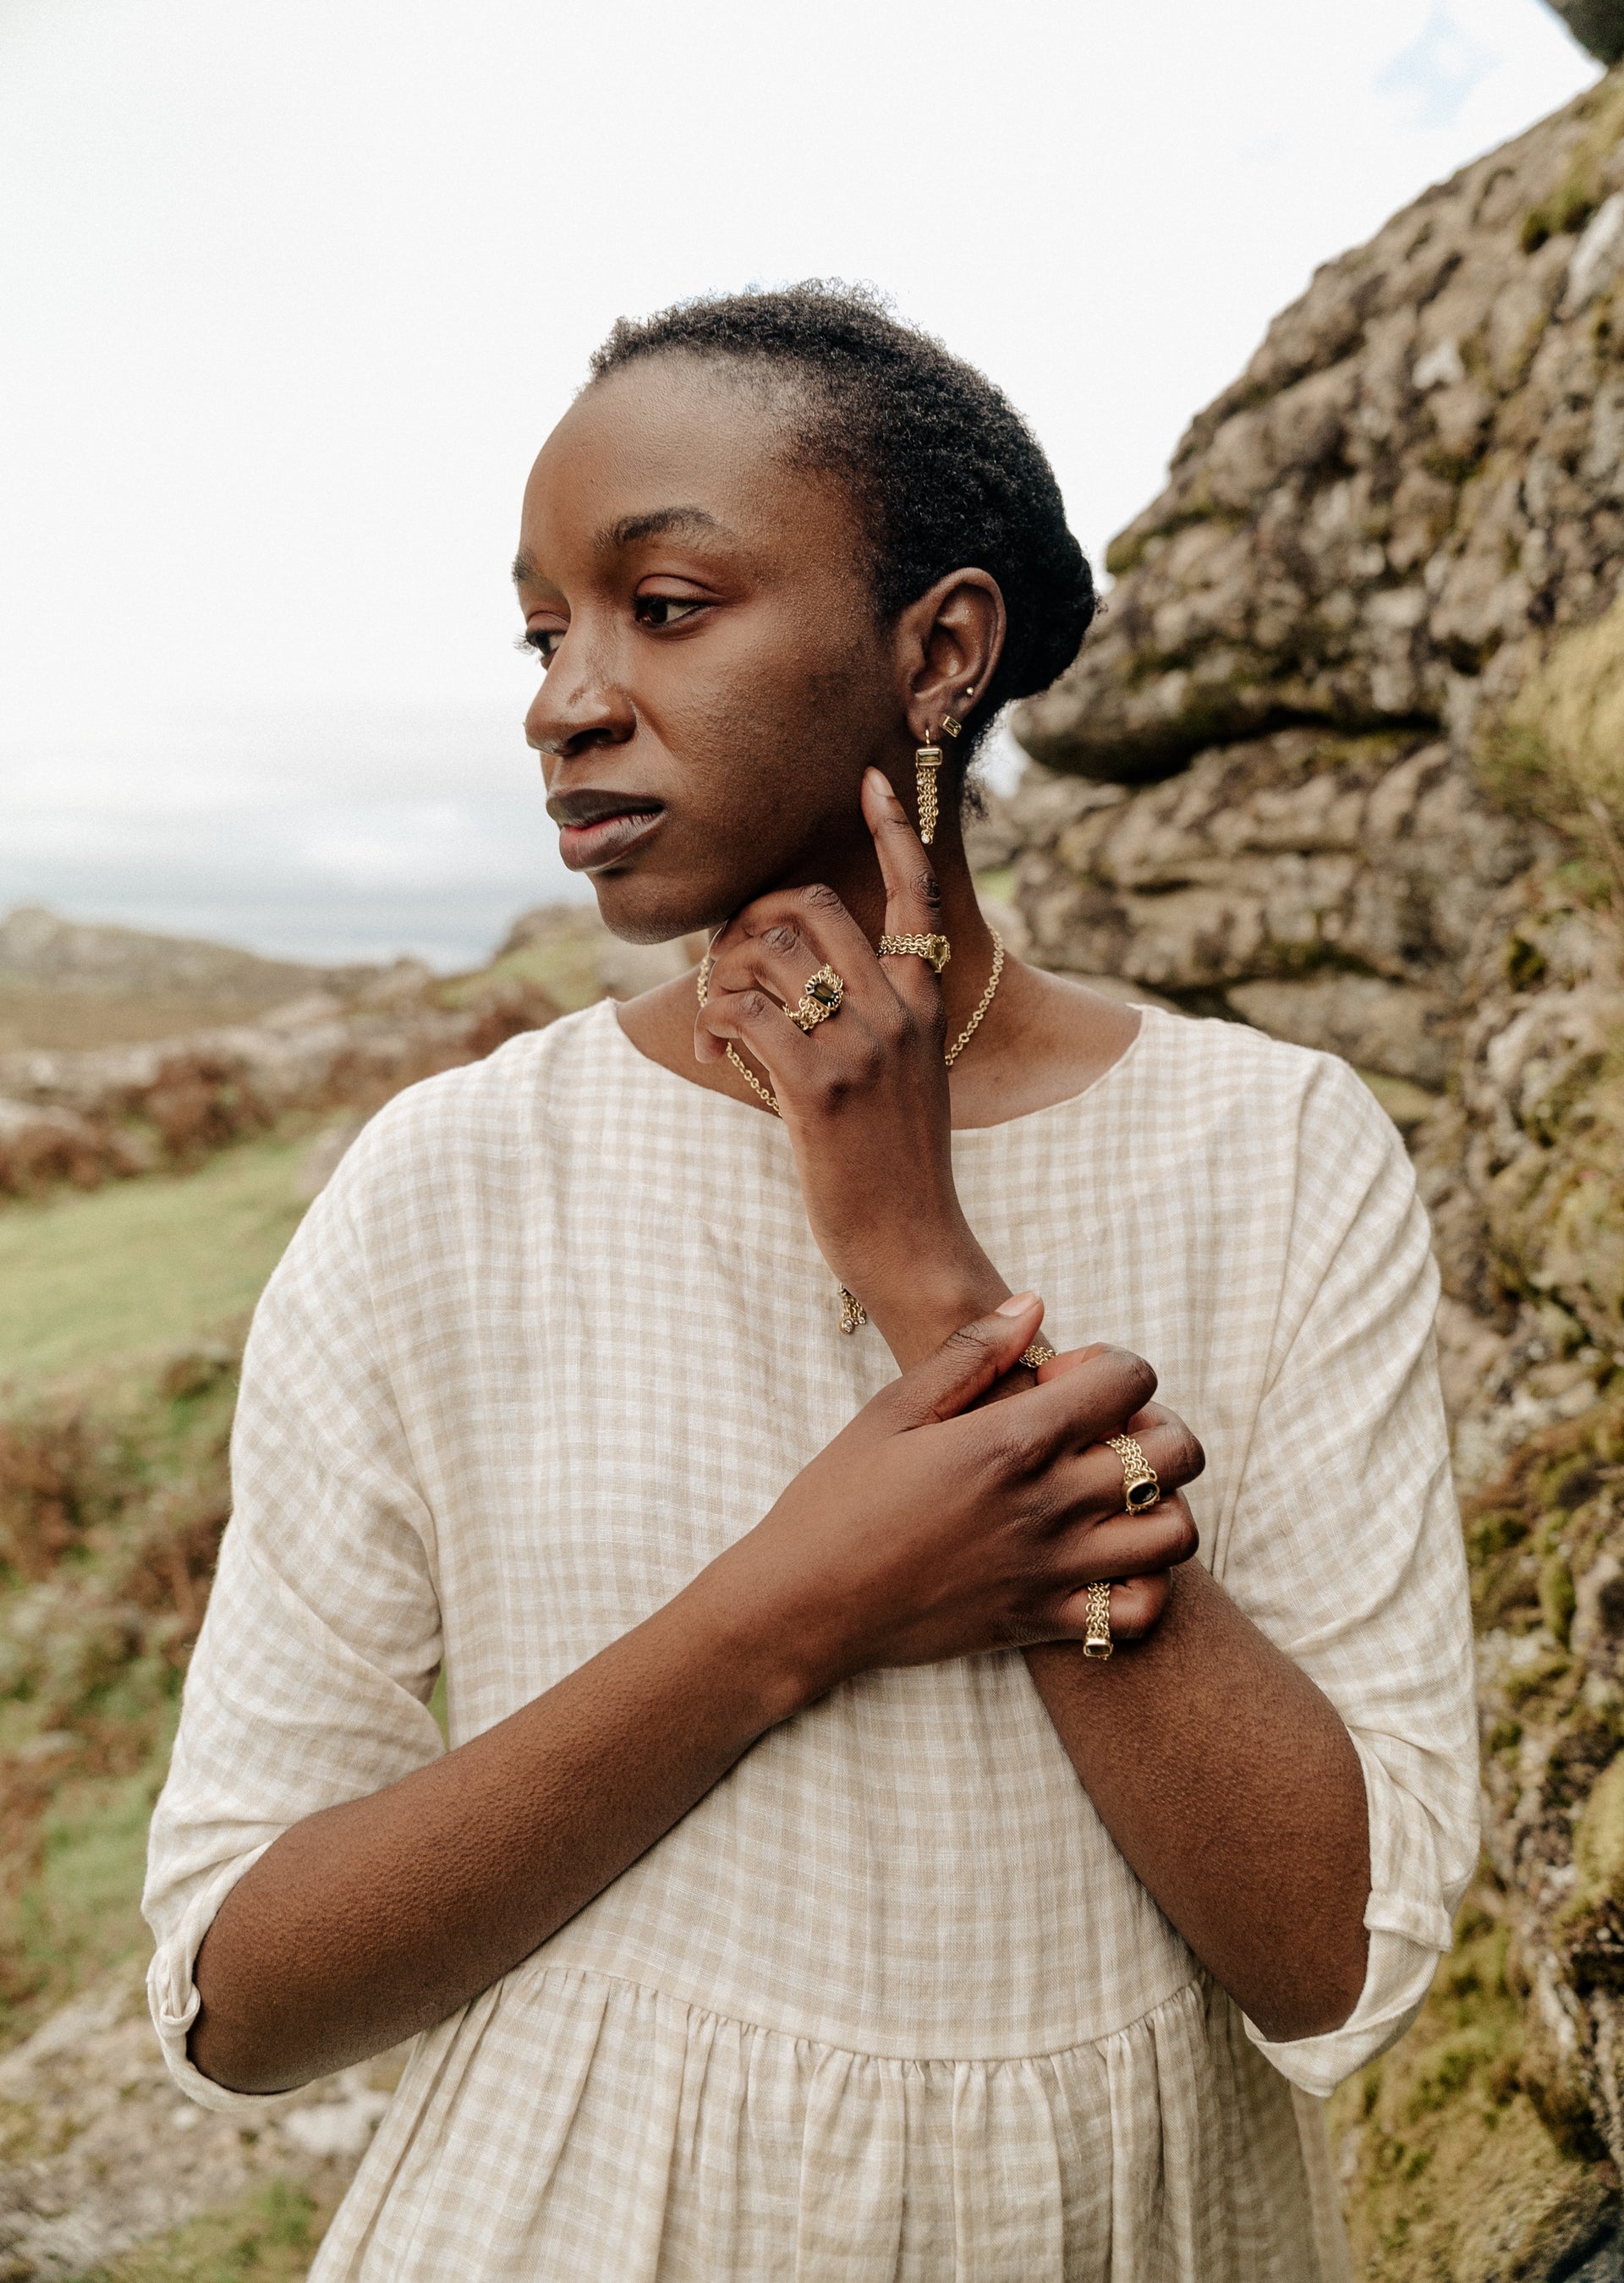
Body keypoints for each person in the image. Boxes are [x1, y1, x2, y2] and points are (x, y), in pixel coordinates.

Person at [144, 285, 1478, 2280]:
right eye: (542, 631)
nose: (563, 699)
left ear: (937, 647)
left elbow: (1333, 1962)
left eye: (662, 606)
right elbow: (241, 1994)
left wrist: (919, 1261)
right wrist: (795, 1608)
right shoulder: (450, 1182)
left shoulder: (1276, 1147)